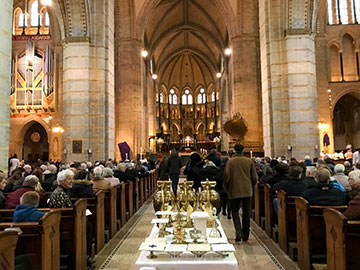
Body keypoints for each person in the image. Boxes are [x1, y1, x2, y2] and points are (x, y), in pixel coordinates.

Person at [223, 144, 258, 242]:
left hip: (234, 190)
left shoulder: (230, 162)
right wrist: (251, 185)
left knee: (235, 211)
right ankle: (245, 235)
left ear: (234, 151)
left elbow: (227, 176)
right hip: (247, 190)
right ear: (243, 150)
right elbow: (254, 178)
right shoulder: (249, 161)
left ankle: (238, 232)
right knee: (246, 213)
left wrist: (226, 187)